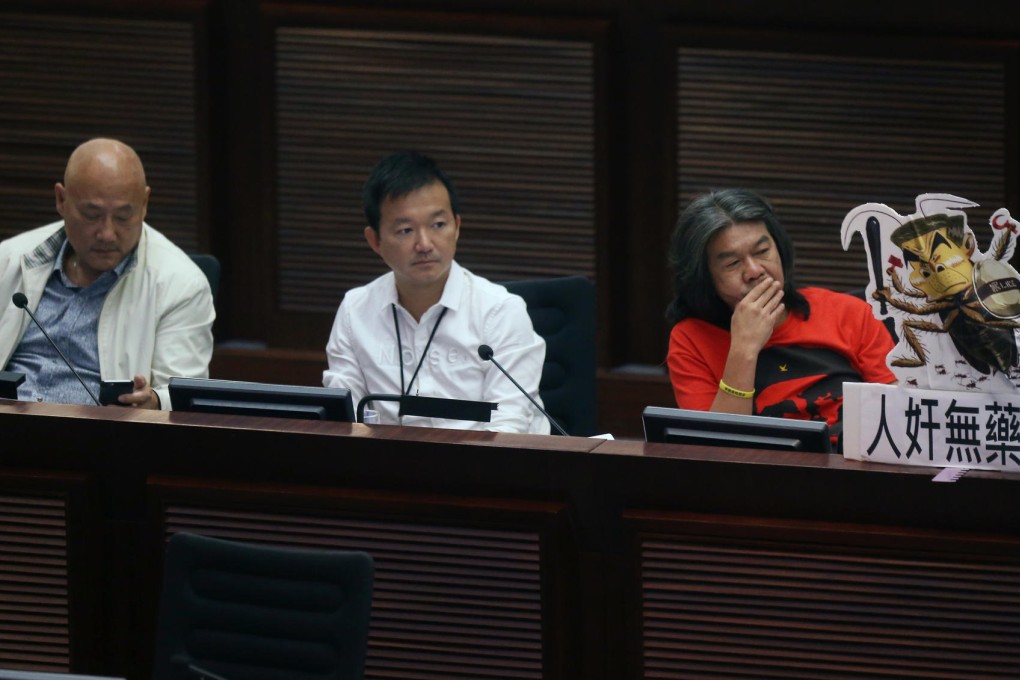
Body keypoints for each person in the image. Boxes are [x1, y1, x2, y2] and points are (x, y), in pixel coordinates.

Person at [323, 151, 549, 433]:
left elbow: (508, 427)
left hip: (486, 466)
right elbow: (347, 418)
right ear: (375, 241)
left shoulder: (500, 311)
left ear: (457, 227)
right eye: (405, 230)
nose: (425, 244)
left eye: (438, 225)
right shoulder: (355, 311)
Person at [665, 188, 895, 441]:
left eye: (763, 252)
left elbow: (900, 414)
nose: (754, 271)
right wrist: (744, 350)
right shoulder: (691, 339)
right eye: (732, 263)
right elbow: (717, 449)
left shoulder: (848, 312)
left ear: (780, 250)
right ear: (705, 278)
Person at [0, 138, 215, 409]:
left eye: (124, 216)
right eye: (92, 214)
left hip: (100, 438)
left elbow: (185, 396)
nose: (107, 233)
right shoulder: (8, 259)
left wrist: (154, 401)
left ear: (145, 203)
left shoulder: (182, 284)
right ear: (61, 200)